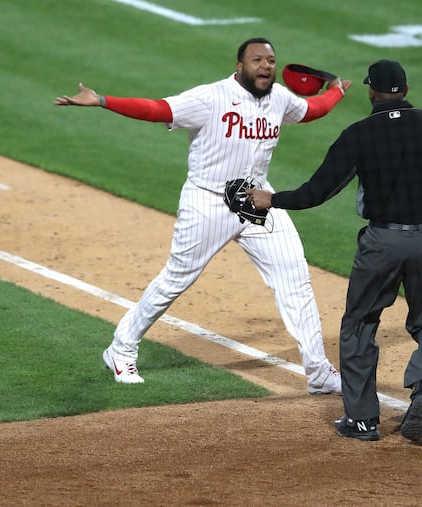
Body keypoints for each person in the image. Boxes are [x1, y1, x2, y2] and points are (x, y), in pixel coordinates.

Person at [54, 37, 352, 394]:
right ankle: (121, 348)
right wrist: (104, 101)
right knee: (176, 279)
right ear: (239, 66)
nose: (266, 66)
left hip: (258, 200)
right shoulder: (210, 98)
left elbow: (311, 109)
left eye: (271, 60)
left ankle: (318, 372)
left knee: (295, 277)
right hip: (208, 202)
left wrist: (336, 92)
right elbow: (156, 109)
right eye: (257, 59)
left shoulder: (280, 99)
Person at [247, 60, 422, 441]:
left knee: (358, 324)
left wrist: (271, 199)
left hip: (381, 243)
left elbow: (316, 192)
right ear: (404, 88)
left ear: (372, 91)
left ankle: (363, 420)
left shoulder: (359, 134)